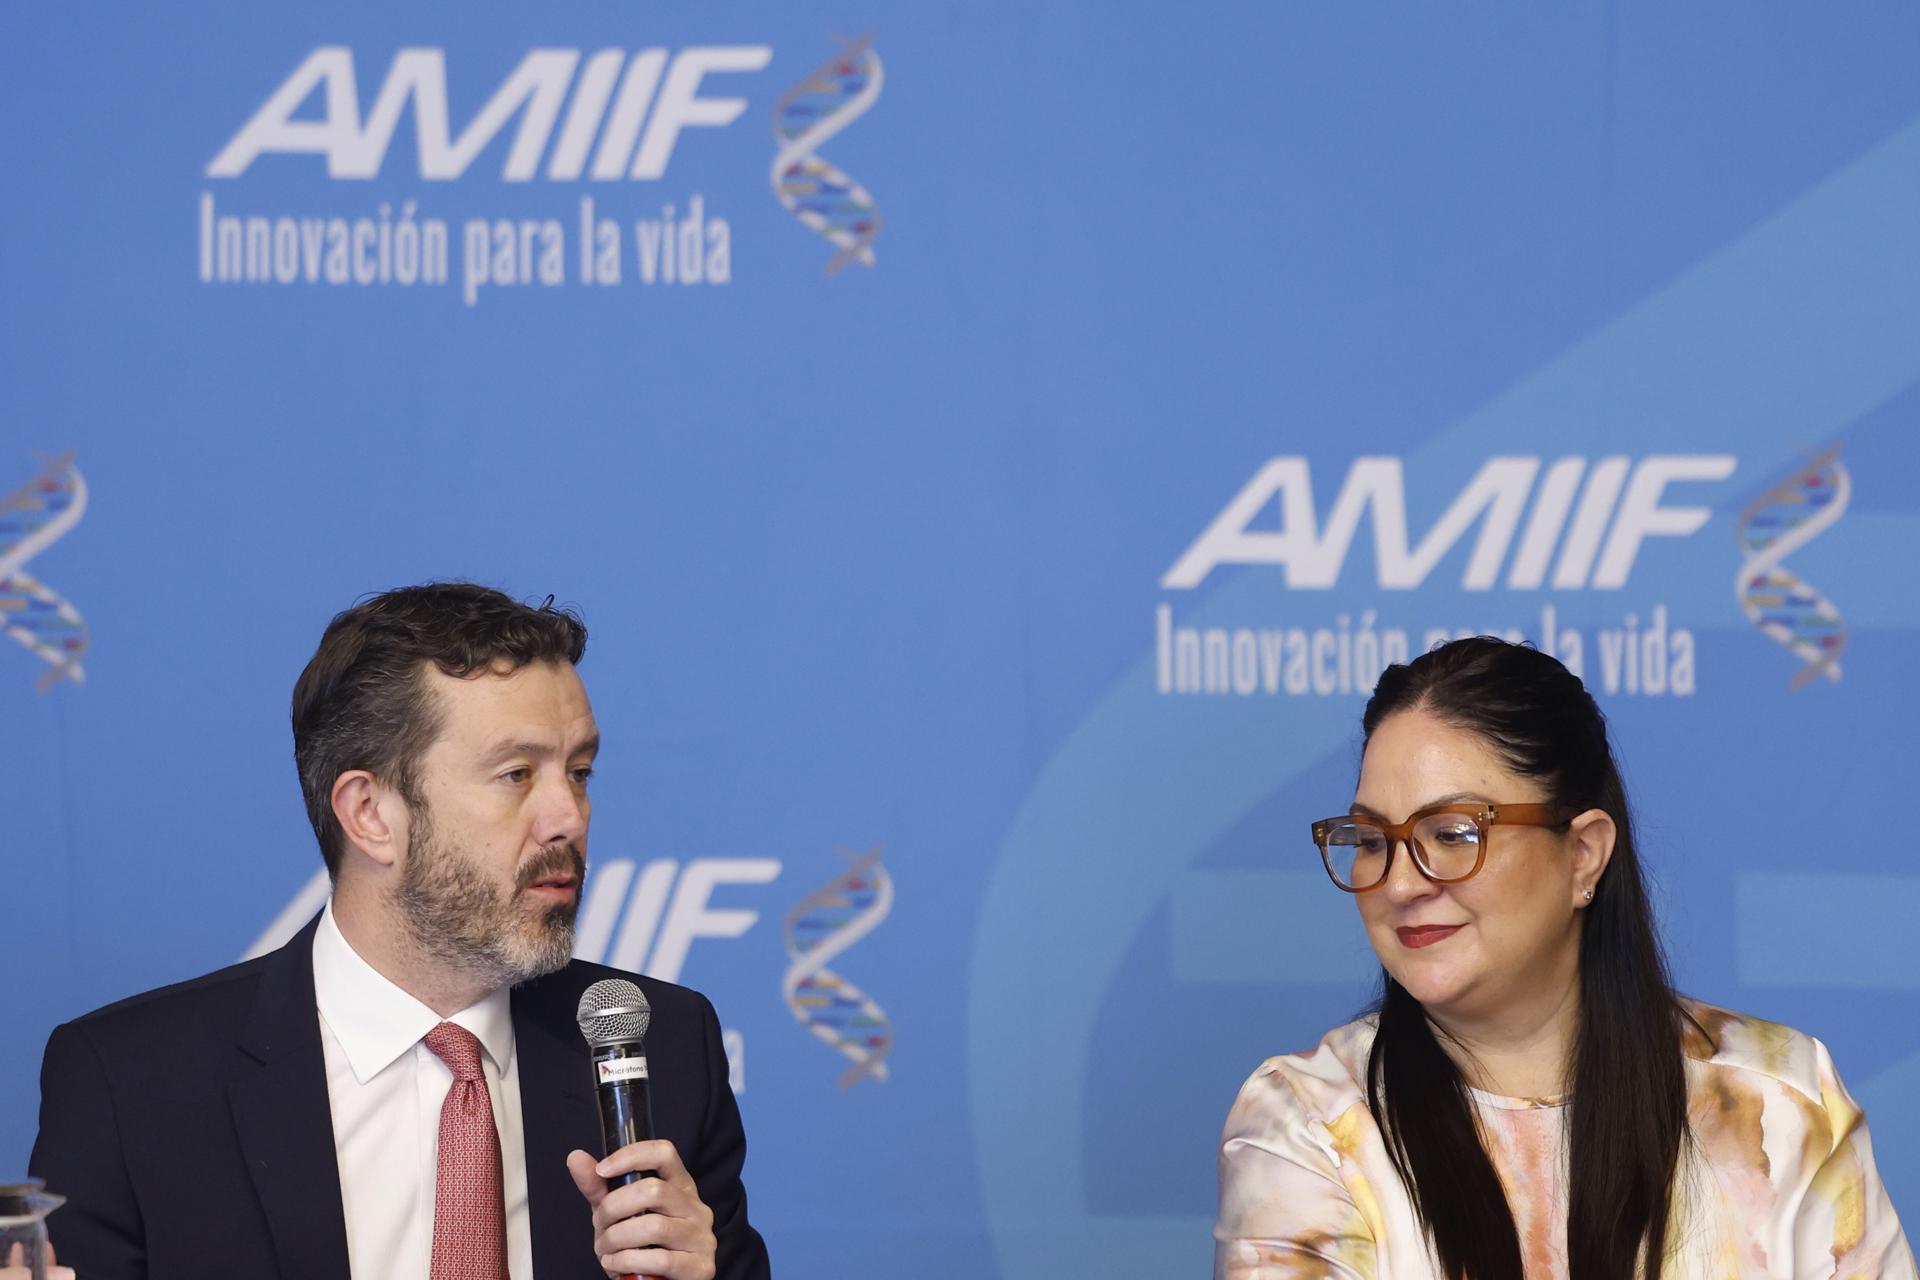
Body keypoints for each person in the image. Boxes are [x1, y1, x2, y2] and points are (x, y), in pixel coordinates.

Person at [31, 583, 771, 1280]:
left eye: (579, 772)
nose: (568, 817)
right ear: (370, 814)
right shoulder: (130, 1084)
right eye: (517, 774)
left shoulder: (663, 1046)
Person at [1215, 637, 1915, 1280]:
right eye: (1371, 839)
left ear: (1583, 855)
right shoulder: (1306, 1126)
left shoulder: (1779, 1103)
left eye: (1454, 833)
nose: (1400, 883)